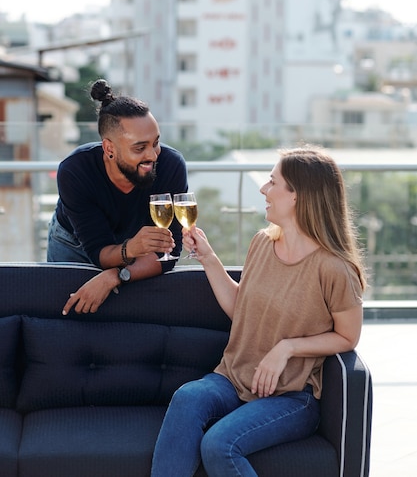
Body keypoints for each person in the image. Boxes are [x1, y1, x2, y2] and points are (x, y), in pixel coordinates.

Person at [151, 145, 366, 477]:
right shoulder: (262, 243)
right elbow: (242, 308)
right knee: (188, 397)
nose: (264, 189)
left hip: (292, 397)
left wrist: (288, 347)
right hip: (234, 378)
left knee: (219, 444)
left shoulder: (334, 268)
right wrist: (208, 257)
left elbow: (348, 336)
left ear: (298, 195)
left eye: (272, 182)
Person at [47, 79, 188, 315]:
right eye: (139, 148)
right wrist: (130, 249)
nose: (153, 155)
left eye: (156, 143)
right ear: (109, 148)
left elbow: (169, 252)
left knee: (127, 314)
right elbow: (98, 251)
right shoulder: (75, 171)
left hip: (139, 244)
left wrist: (117, 275)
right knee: (67, 315)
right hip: (75, 244)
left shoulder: (171, 165)